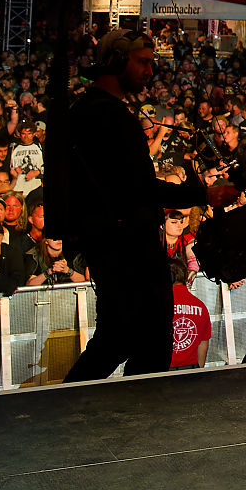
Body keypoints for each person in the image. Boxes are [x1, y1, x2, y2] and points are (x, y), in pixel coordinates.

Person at [61, 30, 208, 381]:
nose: (150, 71)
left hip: (116, 243)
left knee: (122, 338)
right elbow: (138, 187)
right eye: (143, 61)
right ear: (114, 60)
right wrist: (202, 195)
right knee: (147, 341)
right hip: (125, 247)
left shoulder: (91, 110)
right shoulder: (107, 116)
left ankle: (76, 406)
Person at [171, 259, 212, 368]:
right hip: (190, 371)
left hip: (160, 372)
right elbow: (203, 343)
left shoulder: (157, 304)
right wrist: (198, 370)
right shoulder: (200, 306)